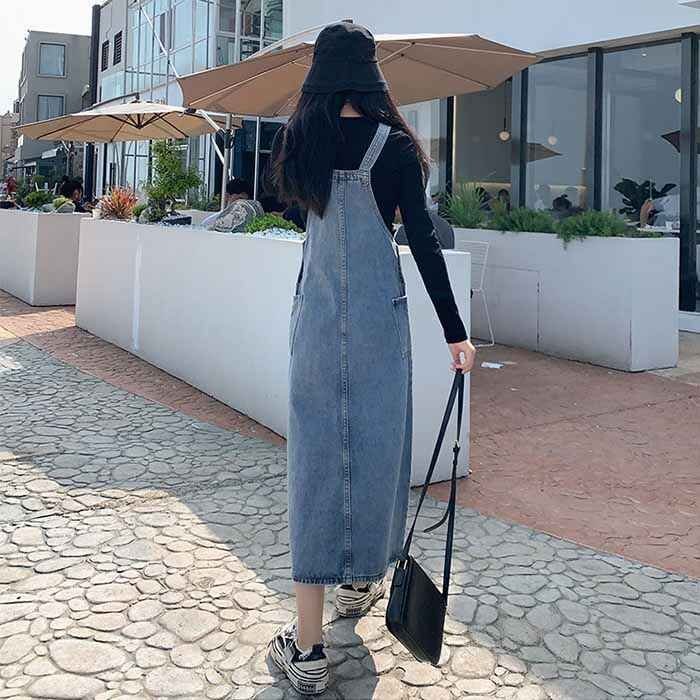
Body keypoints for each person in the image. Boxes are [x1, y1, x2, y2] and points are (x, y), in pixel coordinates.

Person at [266, 22, 476, 695]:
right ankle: (358, 582)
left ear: (320, 74)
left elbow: (291, 211)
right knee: (379, 446)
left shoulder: (300, 140)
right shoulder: (397, 149)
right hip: (382, 325)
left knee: (316, 463)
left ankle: (307, 649)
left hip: (318, 324)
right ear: (371, 74)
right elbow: (424, 241)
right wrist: (456, 333)